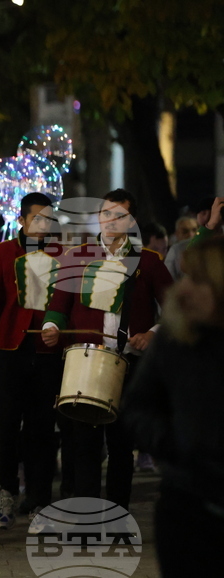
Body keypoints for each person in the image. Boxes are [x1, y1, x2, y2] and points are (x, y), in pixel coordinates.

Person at [42, 189, 173, 513]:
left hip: (129, 363)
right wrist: (51, 327)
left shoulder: (148, 261)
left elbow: (175, 308)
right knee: (83, 444)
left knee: (120, 446)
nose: (111, 220)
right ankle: (85, 517)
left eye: (119, 215)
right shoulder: (77, 257)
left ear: (132, 220)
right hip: (85, 362)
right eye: (106, 213)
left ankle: (117, 516)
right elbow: (59, 306)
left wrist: (153, 333)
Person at [123, 237, 224, 577]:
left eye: (197, 280)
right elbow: (137, 409)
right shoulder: (175, 339)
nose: (182, 291)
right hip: (186, 504)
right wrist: (177, 443)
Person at [0, 193, 64, 531]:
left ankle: (39, 500)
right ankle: (8, 492)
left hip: (48, 351)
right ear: (23, 220)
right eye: (37, 218)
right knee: (6, 426)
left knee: (42, 428)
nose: (43, 225)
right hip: (11, 348)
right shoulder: (1, 253)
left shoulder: (63, 253)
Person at [164, 197, 214, 279]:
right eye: (185, 231)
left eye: (194, 230)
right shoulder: (175, 251)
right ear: (176, 234)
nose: (190, 234)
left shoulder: (208, 246)